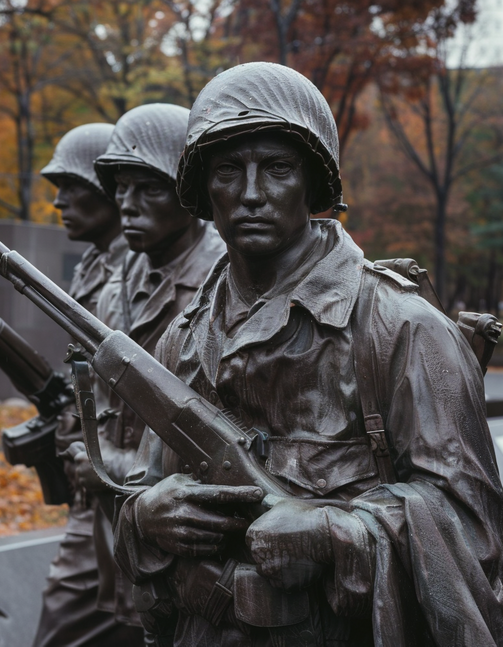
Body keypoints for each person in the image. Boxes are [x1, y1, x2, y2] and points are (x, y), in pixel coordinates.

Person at [114, 63, 503, 646]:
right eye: (227, 170)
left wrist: (338, 532)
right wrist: (144, 517)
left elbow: (475, 536)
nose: (250, 194)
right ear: (202, 189)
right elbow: (145, 495)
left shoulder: (400, 327)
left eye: (276, 168)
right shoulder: (183, 340)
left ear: (312, 183)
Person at [67, 103, 225, 631]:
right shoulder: (121, 282)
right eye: (121, 189)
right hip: (121, 521)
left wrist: (110, 464)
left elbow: (212, 441)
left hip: (190, 536)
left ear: (189, 193)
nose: (127, 207)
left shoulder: (224, 285)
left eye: (150, 189)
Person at [32, 123, 142, 647]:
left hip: (126, 475)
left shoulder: (139, 268)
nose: (58, 201)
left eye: (70, 187)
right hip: (95, 474)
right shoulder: (98, 263)